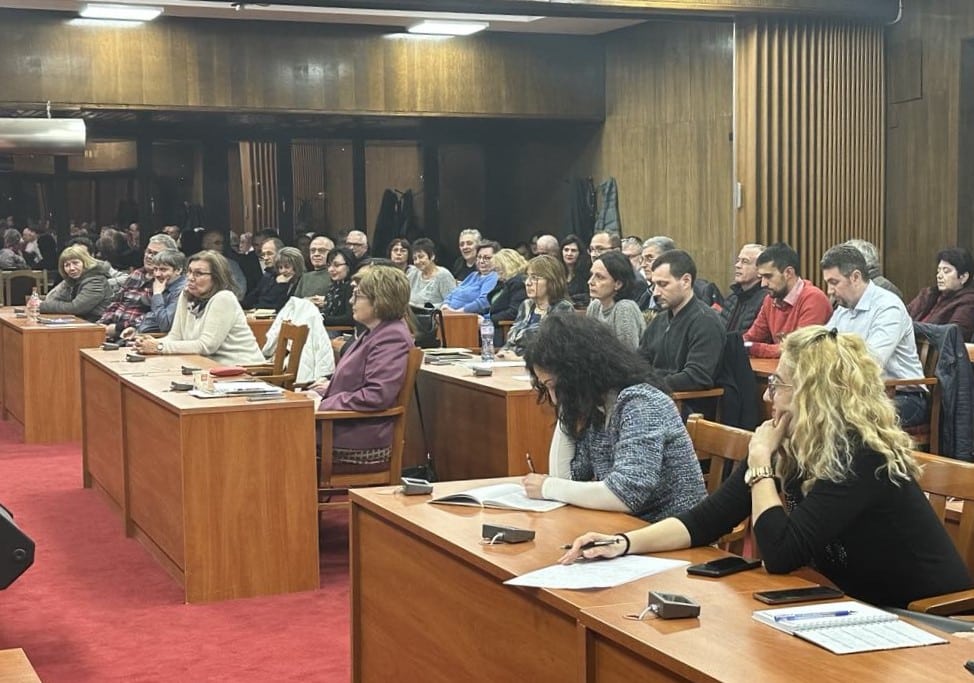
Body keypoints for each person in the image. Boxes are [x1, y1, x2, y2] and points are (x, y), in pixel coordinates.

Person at [560, 326, 973, 608]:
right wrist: (623, 543)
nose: (767, 396)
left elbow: (779, 552)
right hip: (855, 608)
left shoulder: (860, 455)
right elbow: (706, 520)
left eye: (778, 385)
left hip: (928, 617)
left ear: (814, 396)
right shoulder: (787, 442)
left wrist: (760, 463)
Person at [521, 314, 706, 522]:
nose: (554, 399)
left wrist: (548, 487)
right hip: (629, 527)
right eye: (547, 388)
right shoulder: (597, 407)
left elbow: (626, 495)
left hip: (673, 530)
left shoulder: (641, 403)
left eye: (555, 386)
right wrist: (566, 409)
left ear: (578, 372)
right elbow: (569, 477)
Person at [311, 266, 413, 466]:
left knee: (277, 442)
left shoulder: (392, 337)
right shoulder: (374, 332)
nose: (351, 301)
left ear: (380, 300)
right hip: (341, 427)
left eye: (357, 295)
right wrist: (321, 393)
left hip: (356, 437)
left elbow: (377, 395)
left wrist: (324, 404)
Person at [822, 244, 928, 427]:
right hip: (859, 393)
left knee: (843, 421)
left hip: (903, 397)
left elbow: (870, 363)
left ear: (855, 277)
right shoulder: (844, 308)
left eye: (834, 282)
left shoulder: (888, 307)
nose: (829, 291)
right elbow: (821, 345)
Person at [132, 250, 264, 365]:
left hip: (243, 369)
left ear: (216, 277)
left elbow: (206, 346)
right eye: (189, 272)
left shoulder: (224, 298)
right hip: (204, 367)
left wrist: (159, 347)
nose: (190, 278)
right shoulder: (186, 295)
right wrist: (150, 343)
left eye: (198, 273)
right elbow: (175, 337)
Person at [638, 249, 724, 392]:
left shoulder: (706, 322)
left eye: (663, 284)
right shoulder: (658, 321)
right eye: (654, 285)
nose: (656, 293)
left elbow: (696, 377)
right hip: (655, 395)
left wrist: (649, 385)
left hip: (686, 402)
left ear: (685, 281)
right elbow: (639, 364)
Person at [744, 242, 832, 358]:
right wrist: (742, 344)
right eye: (761, 277)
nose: (763, 284)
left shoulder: (814, 299)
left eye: (768, 276)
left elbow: (797, 349)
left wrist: (751, 347)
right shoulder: (770, 300)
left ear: (788, 273)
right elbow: (751, 337)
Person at [99, 233, 177, 339]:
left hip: (134, 335)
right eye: (148, 252)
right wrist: (102, 324)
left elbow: (152, 317)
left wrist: (118, 328)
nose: (149, 256)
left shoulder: (167, 281)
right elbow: (116, 302)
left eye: (155, 254)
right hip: (109, 330)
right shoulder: (137, 274)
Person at [497, 255, 574, 357]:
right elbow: (511, 340)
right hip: (513, 360)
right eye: (527, 277)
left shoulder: (563, 308)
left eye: (534, 278)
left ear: (551, 281)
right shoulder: (526, 305)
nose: (528, 283)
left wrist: (519, 358)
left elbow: (551, 349)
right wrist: (503, 353)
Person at [906, 247, 974, 341]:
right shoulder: (928, 294)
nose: (939, 275)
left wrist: (913, 327)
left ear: (963, 277)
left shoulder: (968, 301)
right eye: (938, 271)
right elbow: (902, 315)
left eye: (946, 271)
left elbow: (954, 335)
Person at [586, 250, 645, 350]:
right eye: (591, 275)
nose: (590, 282)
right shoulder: (595, 306)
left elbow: (628, 354)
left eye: (599, 277)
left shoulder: (624, 308)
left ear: (618, 284)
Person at [39, 245, 113, 322]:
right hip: (82, 321)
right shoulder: (73, 280)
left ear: (85, 262)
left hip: (98, 323)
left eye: (75, 263)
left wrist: (40, 306)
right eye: (67, 265)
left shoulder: (96, 280)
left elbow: (76, 308)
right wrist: (38, 302)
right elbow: (51, 298)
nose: (71, 268)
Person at [124, 248, 187, 336]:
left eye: (163, 270)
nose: (157, 274)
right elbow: (152, 316)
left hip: (161, 340)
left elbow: (165, 325)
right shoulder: (165, 284)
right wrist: (135, 329)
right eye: (155, 269)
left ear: (178, 270)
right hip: (143, 334)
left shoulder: (181, 290)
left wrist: (157, 294)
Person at [720, 243, 768, 333]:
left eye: (745, 262)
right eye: (738, 260)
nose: (737, 265)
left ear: (760, 271)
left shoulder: (766, 301)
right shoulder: (732, 299)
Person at [442, 241, 499, 314]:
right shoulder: (473, 275)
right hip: (450, 314)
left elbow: (484, 301)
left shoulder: (493, 276)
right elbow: (453, 292)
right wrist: (445, 305)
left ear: (497, 259)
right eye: (479, 257)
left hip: (467, 317)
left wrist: (458, 312)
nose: (481, 261)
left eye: (487, 258)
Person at [486, 248, 528, 345]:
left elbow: (514, 312)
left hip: (505, 330)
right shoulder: (502, 283)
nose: (497, 273)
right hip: (495, 328)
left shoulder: (518, 283)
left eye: (498, 269)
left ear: (507, 265)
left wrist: (488, 320)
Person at [243, 246, 304, 312]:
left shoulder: (303, 281)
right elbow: (258, 299)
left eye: (287, 267)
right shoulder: (270, 278)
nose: (283, 271)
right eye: (280, 267)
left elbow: (282, 305)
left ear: (296, 266)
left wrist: (283, 285)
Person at [407, 237, 455, 309]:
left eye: (421, 257)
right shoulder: (412, 273)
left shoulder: (443, 275)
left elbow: (452, 303)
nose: (417, 261)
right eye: (415, 258)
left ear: (432, 256)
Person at [322, 247, 359, 328]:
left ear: (349, 265)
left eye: (336, 265)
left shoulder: (352, 287)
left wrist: (321, 319)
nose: (331, 269)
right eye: (329, 265)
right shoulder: (333, 287)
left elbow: (350, 318)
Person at [293, 234, 336, 304]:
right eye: (313, 250)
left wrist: (326, 302)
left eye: (322, 250)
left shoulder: (336, 275)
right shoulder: (305, 277)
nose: (316, 254)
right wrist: (306, 301)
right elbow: (294, 303)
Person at [560, 234, 591, 308]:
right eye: (566, 250)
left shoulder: (586, 272)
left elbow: (588, 296)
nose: (569, 254)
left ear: (579, 253)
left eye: (573, 250)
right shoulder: (557, 272)